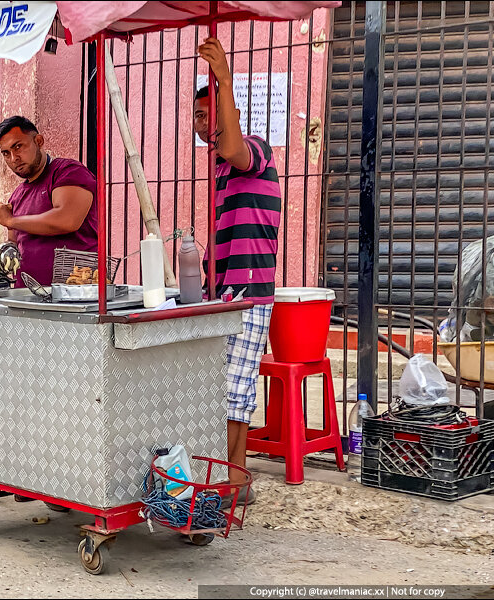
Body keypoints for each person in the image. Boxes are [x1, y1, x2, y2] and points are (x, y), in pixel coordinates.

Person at [194, 38, 282, 508]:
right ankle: (235, 480)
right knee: (227, 386)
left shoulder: (253, 152)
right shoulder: (222, 170)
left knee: (233, 388)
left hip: (249, 293)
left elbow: (232, 140)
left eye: (213, 113)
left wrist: (224, 79)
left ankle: (229, 483)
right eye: (199, 117)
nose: (207, 124)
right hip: (225, 291)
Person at [0, 116, 99, 287]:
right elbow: (16, 244)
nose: (13, 158)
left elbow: (67, 220)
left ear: (38, 141)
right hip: (26, 296)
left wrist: (10, 220)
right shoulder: (17, 195)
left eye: (18, 147)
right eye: (6, 153)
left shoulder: (67, 172)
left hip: (73, 295)